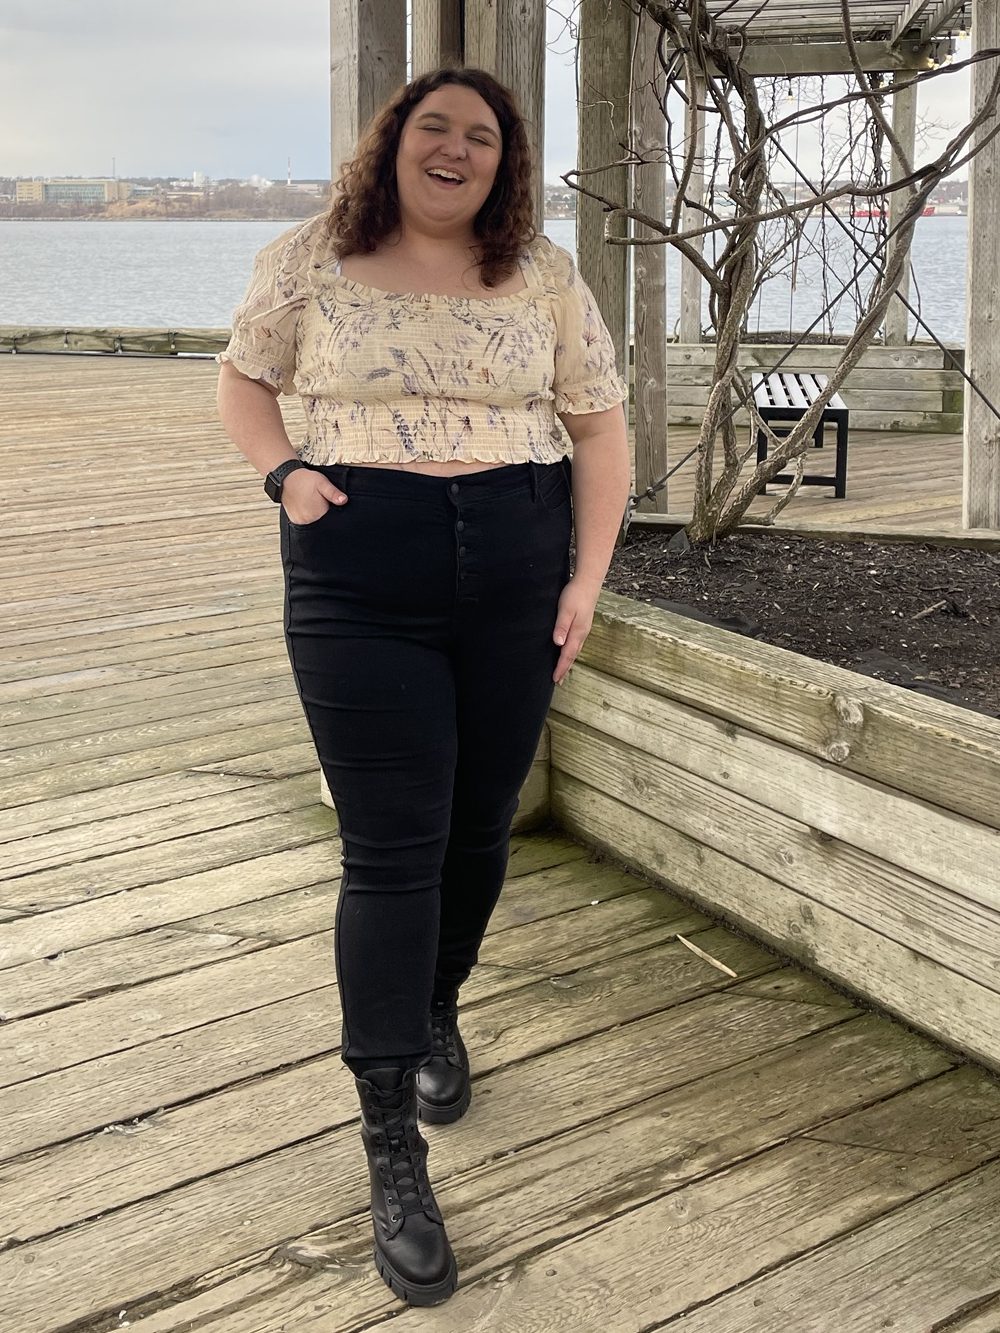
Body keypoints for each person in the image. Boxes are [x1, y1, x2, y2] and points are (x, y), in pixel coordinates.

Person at [216, 65, 630, 1307]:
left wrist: (585, 582)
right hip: (360, 566)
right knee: (392, 849)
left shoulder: (542, 273)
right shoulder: (310, 257)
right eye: (433, 127)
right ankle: (390, 1131)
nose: (456, 149)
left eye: (483, 138)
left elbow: (600, 428)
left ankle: (438, 1004)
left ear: (503, 164)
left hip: (514, 559)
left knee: (479, 826)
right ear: (393, 142)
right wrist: (284, 472)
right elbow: (242, 379)